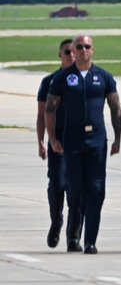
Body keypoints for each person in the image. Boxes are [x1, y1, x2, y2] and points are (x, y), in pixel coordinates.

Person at [45, 34, 121, 254]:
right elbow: (49, 110)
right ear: (74, 50)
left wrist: (118, 138)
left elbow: (115, 108)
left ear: (93, 49)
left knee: (96, 190)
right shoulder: (62, 78)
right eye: (79, 47)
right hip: (73, 139)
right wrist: (52, 139)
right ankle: (73, 236)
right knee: (76, 189)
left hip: (97, 138)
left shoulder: (104, 76)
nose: (83, 50)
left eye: (87, 46)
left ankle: (90, 240)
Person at [36, 38, 81, 249]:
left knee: (77, 188)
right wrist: (42, 142)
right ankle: (56, 221)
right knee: (57, 184)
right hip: (58, 141)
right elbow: (42, 115)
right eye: (67, 52)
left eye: (75, 51)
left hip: (80, 141)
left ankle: (74, 235)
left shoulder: (85, 79)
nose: (72, 55)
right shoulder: (50, 81)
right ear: (60, 55)